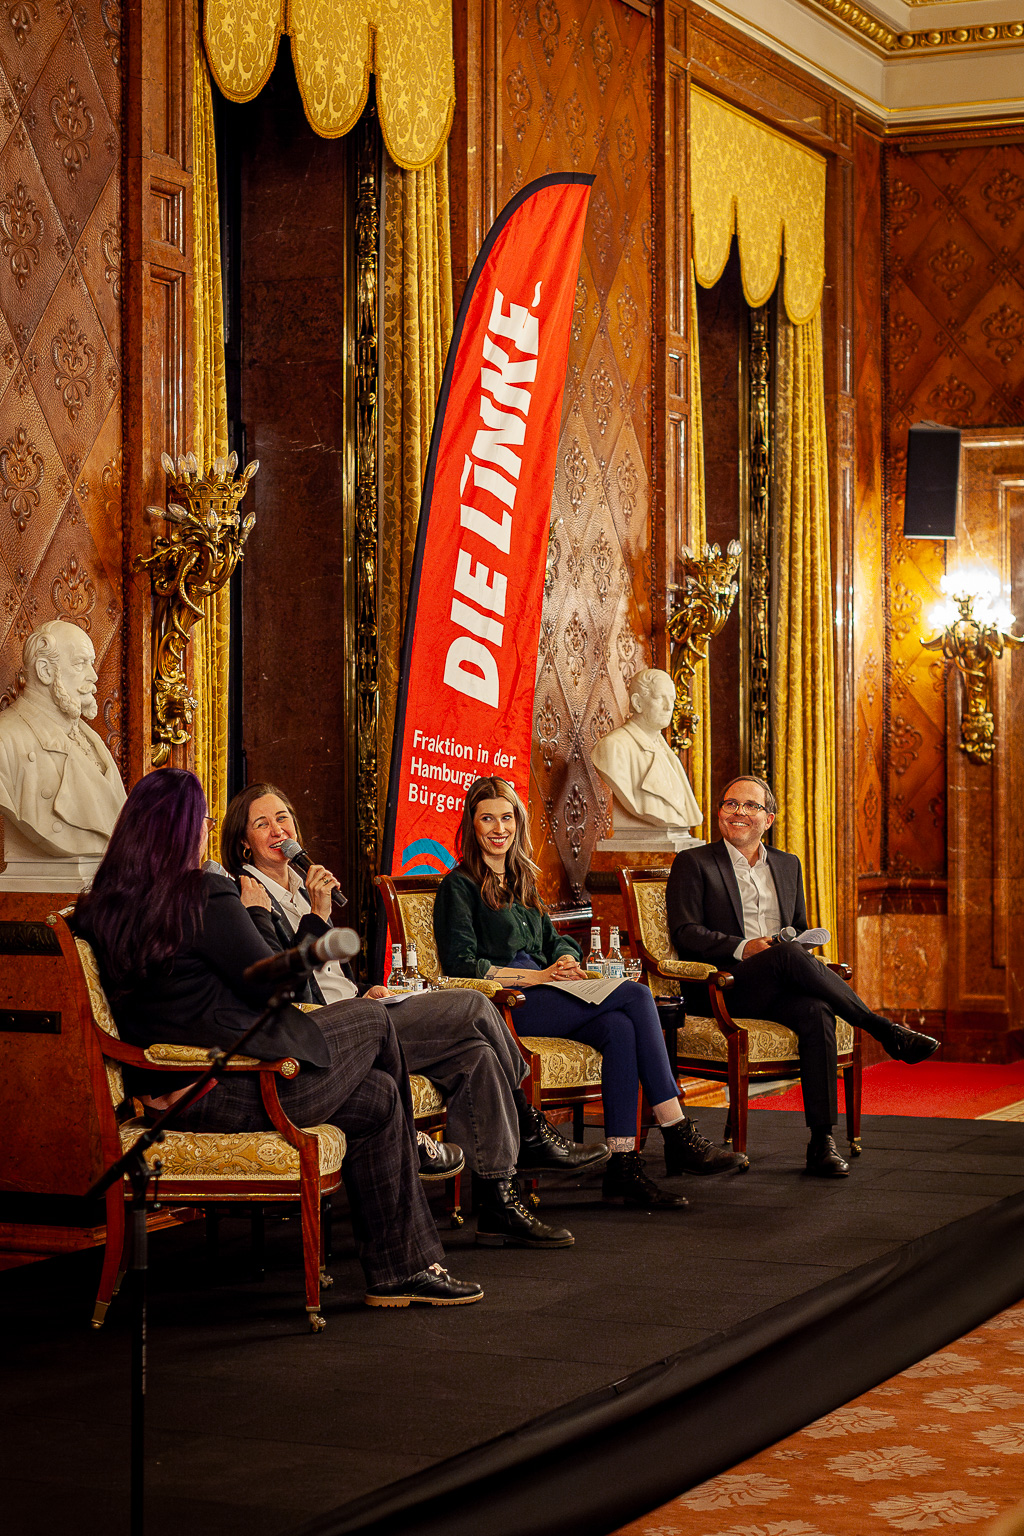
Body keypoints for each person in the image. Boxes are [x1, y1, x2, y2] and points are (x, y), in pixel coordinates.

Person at [73, 768, 482, 1308]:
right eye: (204, 821)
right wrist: (306, 917)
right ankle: (416, 1159)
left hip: (178, 1091)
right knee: (373, 1018)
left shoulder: (100, 908)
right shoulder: (203, 894)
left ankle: (400, 1272)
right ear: (184, 830)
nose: (206, 831)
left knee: (380, 1098)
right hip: (240, 1087)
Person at [220, 783, 610, 1250]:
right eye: (262, 824)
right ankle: (529, 1124)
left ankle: (497, 1203)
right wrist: (320, 917)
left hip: (359, 1010)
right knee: (473, 1005)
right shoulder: (245, 894)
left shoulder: (302, 888)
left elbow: (330, 976)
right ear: (243, 841)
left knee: (477, 1054)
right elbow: (279, 982)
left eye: (283, 818)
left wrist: (365, 989)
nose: (277, 831)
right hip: (324, 1033)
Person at [434, 776, 745, 1210]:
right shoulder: (459, 886)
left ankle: (623, 1165)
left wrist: (563, 959)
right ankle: (677, 1131)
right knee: (636, 997)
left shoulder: (522, 879)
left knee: (619, 1028)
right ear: (472, 824)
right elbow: (462, 965)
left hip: (546, 992)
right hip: (504, 1006)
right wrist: (538, 978)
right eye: (487, 819)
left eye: (507, 818)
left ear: (518, 823)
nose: (499, 828)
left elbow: (554, 940)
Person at [666, 774, 941, 1178]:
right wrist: (744, 947)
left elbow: (798, 927)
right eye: (730, 804)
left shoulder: (787, 864)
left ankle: (821, 1141)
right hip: (724, 986)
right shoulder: (695, 862)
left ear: (769, 819)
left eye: (750, 805)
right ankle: (881, 1028)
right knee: (786, 955)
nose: (738, 812)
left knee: (816, 1011)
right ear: (720, 812)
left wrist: (797, 945)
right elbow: (685, 932)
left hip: (779, 982)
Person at [0, 620, 126, 877]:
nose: (93, 676)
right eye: (81, 663)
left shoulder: (90, 738)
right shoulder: (6, 739)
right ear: (45, 671)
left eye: (92, 663)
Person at [590, 668, 702, 840]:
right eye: (660, 698)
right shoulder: (613, 747)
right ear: (637, 703)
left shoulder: (666, 751)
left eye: (672, 699)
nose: (669, 707)